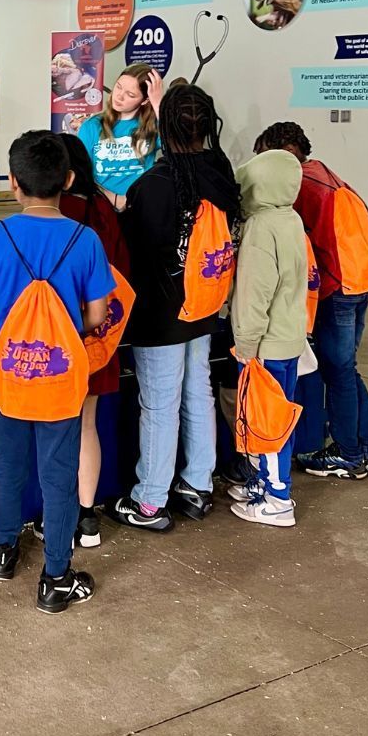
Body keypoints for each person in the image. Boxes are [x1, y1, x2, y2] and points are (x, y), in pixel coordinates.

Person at [0, 131, 114, 615]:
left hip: (6, 372)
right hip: (61, 377)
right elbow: (96, 316)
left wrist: (8, 329)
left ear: (15, 183)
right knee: (58, 472)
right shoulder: (85, 239)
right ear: (68, 180)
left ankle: (3, 553)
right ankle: (55, 578)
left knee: (5, 464)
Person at [111, 84, 240, 533]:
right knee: (197, 391)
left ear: (163, 128)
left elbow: (136, 254)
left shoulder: (153, 186)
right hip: (205, 305)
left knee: (160, 404)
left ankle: (149, 501)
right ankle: (198, 484)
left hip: (161, 315)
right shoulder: (220, 172)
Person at [255, 121, 368, 480]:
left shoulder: (299, 183)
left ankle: (348, 454)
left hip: (339, 286)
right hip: (364, 278)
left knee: (338, 372)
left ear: (283, 155)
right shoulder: (326, 174)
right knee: (345, 369)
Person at [57, 133, 130, 548]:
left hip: (58, 339)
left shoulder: (56, 212)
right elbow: (121, 274)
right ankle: (88, 519)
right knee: (87, 425)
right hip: (101, 338)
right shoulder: (103, 208)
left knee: (55, 432)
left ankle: (59, 518)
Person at [228, 149, 308, 527]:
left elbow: (254, 292)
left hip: (266, 344)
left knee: (268, 422)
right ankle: (263, 483)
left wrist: (245, 343)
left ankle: (278, 498)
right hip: (289, 337)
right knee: (276, 415)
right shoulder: (289, 218)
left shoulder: (260, 227)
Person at [76, 65, 162, 210]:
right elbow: (82, 173)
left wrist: (158, 104)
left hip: (141, 207)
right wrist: (113, 198)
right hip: (101, 207)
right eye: (118, 87)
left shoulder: (153, 126)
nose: (119, 96)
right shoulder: (92, 126)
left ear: (145, 101)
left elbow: (177, 151)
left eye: (130, 95)